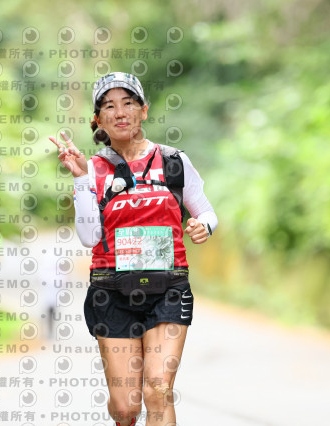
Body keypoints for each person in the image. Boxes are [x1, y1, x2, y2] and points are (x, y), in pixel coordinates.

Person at [49, 72, 218, 426]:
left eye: (128, 103)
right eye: (109, 106)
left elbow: (205, 211)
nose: (120, 112)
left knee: (158, 389)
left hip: (169, 289)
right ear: (98, 119)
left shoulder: (173, 161)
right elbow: (89, 237)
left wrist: (204, 226)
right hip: (111, 291)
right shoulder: (92, 169)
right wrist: (80, 179)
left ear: (143, 110)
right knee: (126, 409)